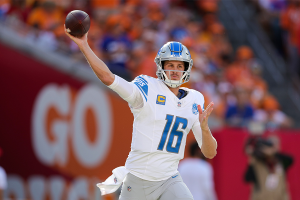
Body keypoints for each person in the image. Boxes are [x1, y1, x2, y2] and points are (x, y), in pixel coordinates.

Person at [64, 25, 217, 200]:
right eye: (170, 65)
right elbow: (108, 77)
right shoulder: (147, 87)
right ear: (161, 67)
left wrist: (205, 129)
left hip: (169, 179)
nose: (175, 70)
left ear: (186, 69)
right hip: (139, 178)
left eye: (179, 65)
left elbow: (210, 153)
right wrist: (84, 45)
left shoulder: (195, 99)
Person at [244, 135, 293, 200]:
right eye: (271, 145)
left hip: (279, 197)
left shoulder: (282, 161)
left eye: (275, 145)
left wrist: (273, 153)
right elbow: (247, 178)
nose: (273, 147)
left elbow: (291, 160)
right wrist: (254, 157)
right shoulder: (258, 162)